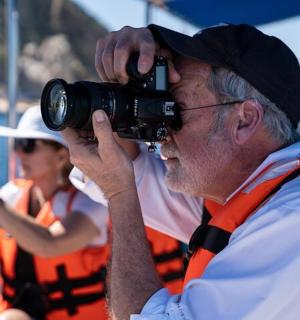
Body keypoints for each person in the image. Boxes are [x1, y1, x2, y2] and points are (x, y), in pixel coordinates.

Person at [62, 23, 300, 319]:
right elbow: (135, 174)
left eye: (175, 109)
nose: (161, 132)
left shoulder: (289, 220)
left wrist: (120, 194)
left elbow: (128, 186)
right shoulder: (239, 193)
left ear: (245, 120)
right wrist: (126, 89)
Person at [0, 106, 110, 320]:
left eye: (29, 146)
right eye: (18, 144)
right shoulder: (13, 194)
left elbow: (49, 244)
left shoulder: (91, 203)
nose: (19, 153)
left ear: (61, 156)